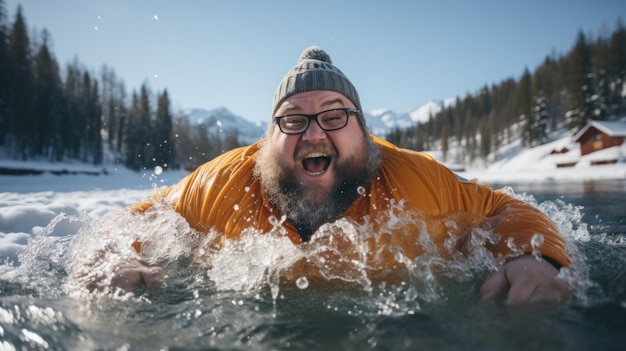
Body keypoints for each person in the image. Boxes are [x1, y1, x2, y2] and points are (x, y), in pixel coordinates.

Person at [77, 46, 571, 304]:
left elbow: (505, 208)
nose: (314, 133)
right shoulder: (224, 182)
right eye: (293, 119)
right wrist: (108, 257)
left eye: (335, 115)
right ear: (271, 138)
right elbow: (142, 217)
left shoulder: (416, 181)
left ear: (364, 131)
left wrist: (535, 257)